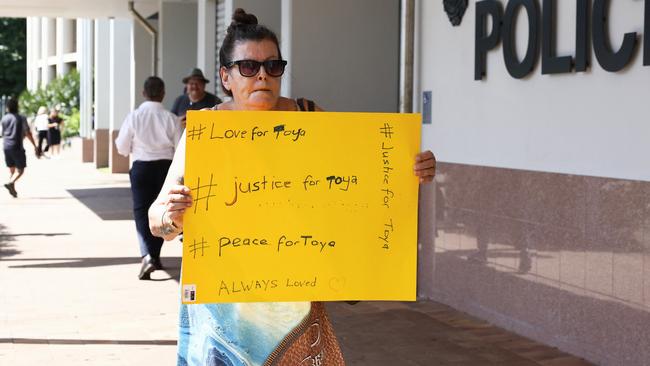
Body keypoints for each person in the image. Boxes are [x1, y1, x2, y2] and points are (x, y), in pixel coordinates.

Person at [148, 9, 436, 366]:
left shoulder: (310, 119)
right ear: (225, 77)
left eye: (273, 66)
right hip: (223, 313)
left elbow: (367, 177)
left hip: (294, 311)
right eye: (249, 67)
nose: (263, 76)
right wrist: (171, 217)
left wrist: (412, 169)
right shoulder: (205, 133)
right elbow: (157, 218)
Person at [116, 76, 183, 280]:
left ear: (143, 93)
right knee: (163, 209)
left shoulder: (134, 117)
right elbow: (180, 146)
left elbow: (121, 147)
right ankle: (154, 254)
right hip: (165, 167)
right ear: (163, 94)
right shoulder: (171, 118)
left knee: (141, 212)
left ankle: (148, 254)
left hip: (141, 167)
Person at [1, 98, 38, 198]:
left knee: (12, 170)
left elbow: (3, 133)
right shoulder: (21, 118)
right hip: (17, 146)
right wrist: (35, 145)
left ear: (8, 107)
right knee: (20, 170)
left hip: (6, 146)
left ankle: (12, 186)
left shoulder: (4, 118)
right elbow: (28, 132)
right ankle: (11, 182)